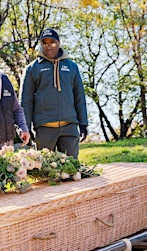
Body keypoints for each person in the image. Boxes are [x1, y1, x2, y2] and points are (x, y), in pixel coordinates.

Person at [19, 28, 88, 159]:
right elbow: (25, 101)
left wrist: (83, 123)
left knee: (71, 170)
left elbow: (79, 96)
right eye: (45, 43)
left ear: (59, 43)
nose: (49, 46)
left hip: (69, 127)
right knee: (45, 170)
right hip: (44, 128)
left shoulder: (72, 67)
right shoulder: (32, 69)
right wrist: (25, 127)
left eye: (52, 42)